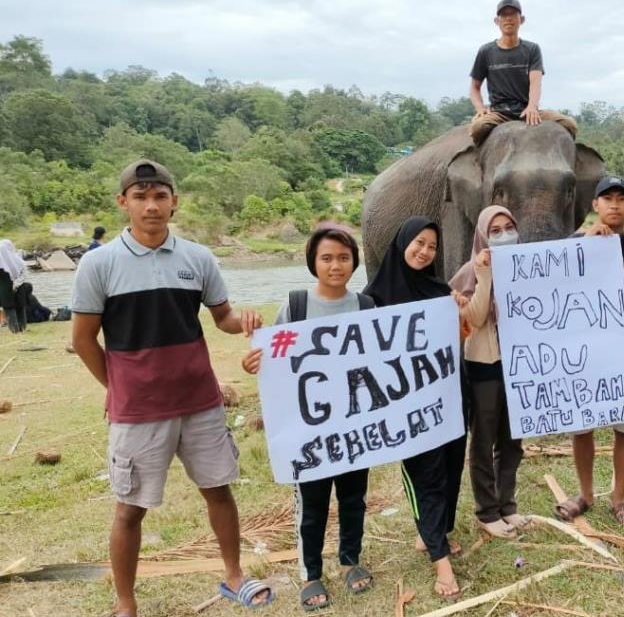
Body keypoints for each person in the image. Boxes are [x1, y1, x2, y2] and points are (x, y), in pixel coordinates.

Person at [71, 159, 273, 616]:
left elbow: (222, 318)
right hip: (138, 411)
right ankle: (126, 603)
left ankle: (234, 575)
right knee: (130, 509)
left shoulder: (197, 259)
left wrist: (247, 320)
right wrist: (116, 387)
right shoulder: (98, 265)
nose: (151, 206)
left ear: (174, 202)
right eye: (140, 197)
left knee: (218, 490)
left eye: (160, 196)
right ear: (123, 203)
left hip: (200, 402)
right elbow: (82, 340)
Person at [242, 224, 374, 610]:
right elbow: (276, 359)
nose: (336, 266)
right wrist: (254, 361)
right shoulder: (296, 306)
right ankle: (310, 573)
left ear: (354, 262)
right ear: (313, 262)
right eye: (327, 258)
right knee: (312, 505)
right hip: (308, 430)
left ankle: (351, 560)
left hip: (353, 426)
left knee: (353, 498)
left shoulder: (366, 307)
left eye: (344, 258)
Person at [362, 217, 468, 598]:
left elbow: (457, 338)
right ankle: (441, 560)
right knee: (426, 475)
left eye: (432, 247)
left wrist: (458, 310)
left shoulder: (441, 291)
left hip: (450, 397)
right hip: (407, 410)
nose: (425, 252)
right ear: (402, 242)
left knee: (452, 467)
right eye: (419, 243)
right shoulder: (373, 298)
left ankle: (433, 533)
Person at [554, 176, 624, 528]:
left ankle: (619, 497)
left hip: (623, 355)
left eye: (622, 199)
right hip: (582, 355)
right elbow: (553, 288)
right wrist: (583, 245)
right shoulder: (572, 245)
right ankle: (585, 494)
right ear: (594, 205)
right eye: (607, 199)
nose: (614, 205)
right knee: (582, 426)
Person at [450, 205, 528, 539]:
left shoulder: (527, 265)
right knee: (483, 439)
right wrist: (484, 277)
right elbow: (475, 318)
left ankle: (506, 503)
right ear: (482, 235)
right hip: (483, 364)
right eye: (495, 231)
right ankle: (486, 510)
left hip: (521, 362)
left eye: (509, 227)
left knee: (513, 439)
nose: (504, 235)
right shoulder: (471, 271)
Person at [468, 0, 577, 146]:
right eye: (504, 15)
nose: (508, 19)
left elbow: (535, 82)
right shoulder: (486, 51)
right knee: (477, 127)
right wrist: (480, 109)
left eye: (513, 14)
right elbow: (474, 87)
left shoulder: (532, 49)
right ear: (496, 21)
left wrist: (532, 106)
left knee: (569, 124)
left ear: (522, 19)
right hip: (499, 113)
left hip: (527, 111)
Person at [0, 239, 28, 334]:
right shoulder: (18, 260)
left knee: (11, 308)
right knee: (17, 307)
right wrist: (17, 283)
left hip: (7, 288)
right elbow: (23, 273)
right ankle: (20, 328)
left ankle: (17, 329)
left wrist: (15, 283)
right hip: (16, 287)